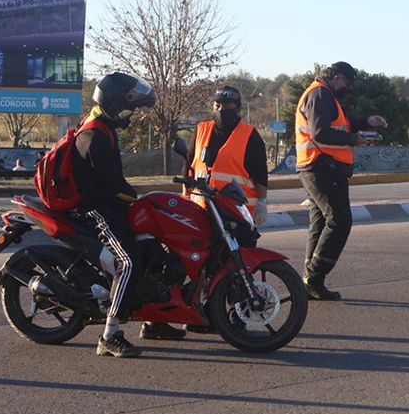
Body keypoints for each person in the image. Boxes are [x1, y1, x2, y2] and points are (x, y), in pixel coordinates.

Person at [139, 85, 271, 342]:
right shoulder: (201, 130)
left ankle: (236, 320)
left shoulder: (250, 135)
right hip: (201, 211)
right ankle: (175, 317)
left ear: (238, 109)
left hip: (235, 214)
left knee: (238, 268)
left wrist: (263, 203)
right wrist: (184, 201)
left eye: (228, 106)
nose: (222, 110)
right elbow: (188, 168)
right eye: (217, 105)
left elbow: (260, 174)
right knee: (191, 263)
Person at [71, 71, 157, 357]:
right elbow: (114, 186)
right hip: (97, 210)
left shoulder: (103, 126)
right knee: (129, 261)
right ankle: (109, 335)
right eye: (128, 107)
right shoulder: (94, 135)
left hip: (111, 205)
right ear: (114, 103)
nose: (131, 113)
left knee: (153, 248)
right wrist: (139, 198)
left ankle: (156, 321)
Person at [294, 61, 387, 300]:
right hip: (322, 167)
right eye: (348, 82)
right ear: (337, 77)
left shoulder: (324, 95)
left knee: (320, 222)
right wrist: (354, 139)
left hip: (318, 166)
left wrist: (366, 121)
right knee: (340, 220)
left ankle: (310, 280)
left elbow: (340, 125)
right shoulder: (320, 94)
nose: (349, 88)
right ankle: (314, 277)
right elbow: (320, 133)